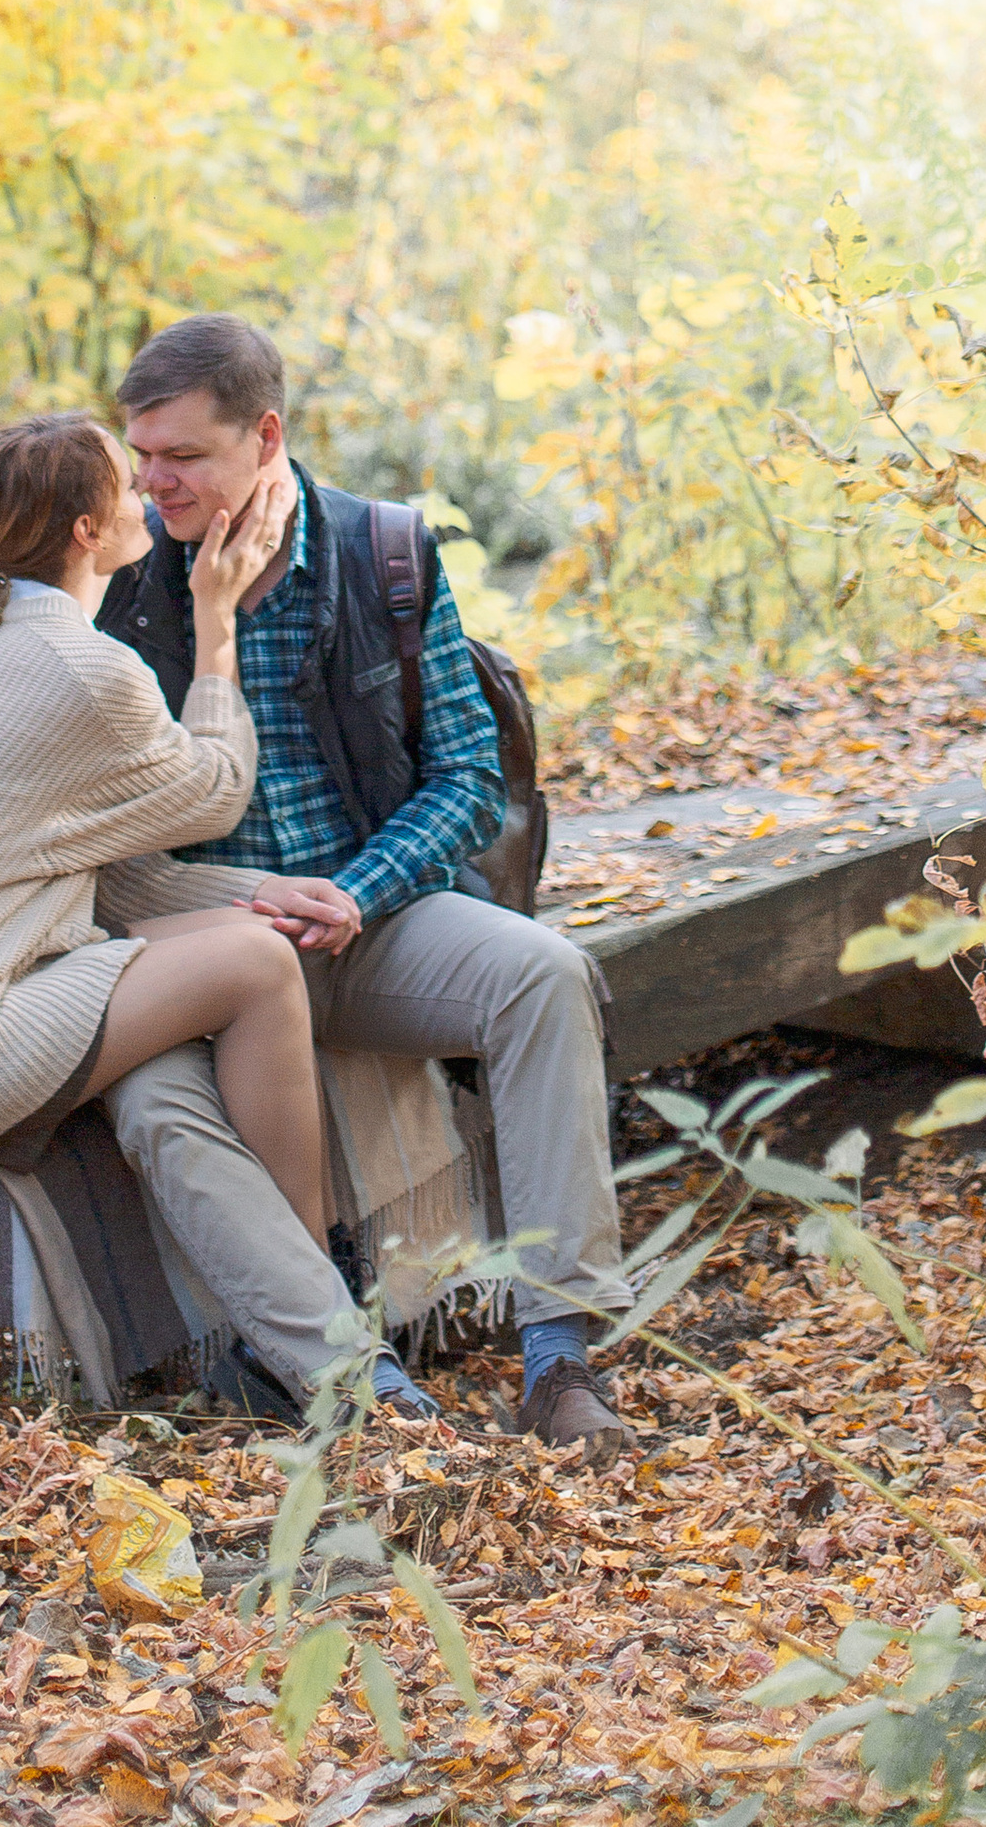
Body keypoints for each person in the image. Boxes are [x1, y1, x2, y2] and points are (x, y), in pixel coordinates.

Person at [95, 314, 630, 1457]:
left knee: (544, 976)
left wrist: (356, 891)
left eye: (182, 456)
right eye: (140, 455)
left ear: (264, 436)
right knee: (149, 1106)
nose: (153, 482)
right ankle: (349, 1378)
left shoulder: (381, 552)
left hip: (365, 921)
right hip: (200, 954)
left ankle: (559, 1357)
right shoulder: (119, 572)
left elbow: (468, 779)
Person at [0, 412, 332, 1248]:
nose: (146, 493)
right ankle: (319, 1268)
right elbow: (219, 791)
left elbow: (92, 864)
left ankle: (305, 1263)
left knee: (253, 934)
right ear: (89, 532)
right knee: (262, 966)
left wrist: (263, 889)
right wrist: (217, 617)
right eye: (127, 483)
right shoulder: (83, 668)